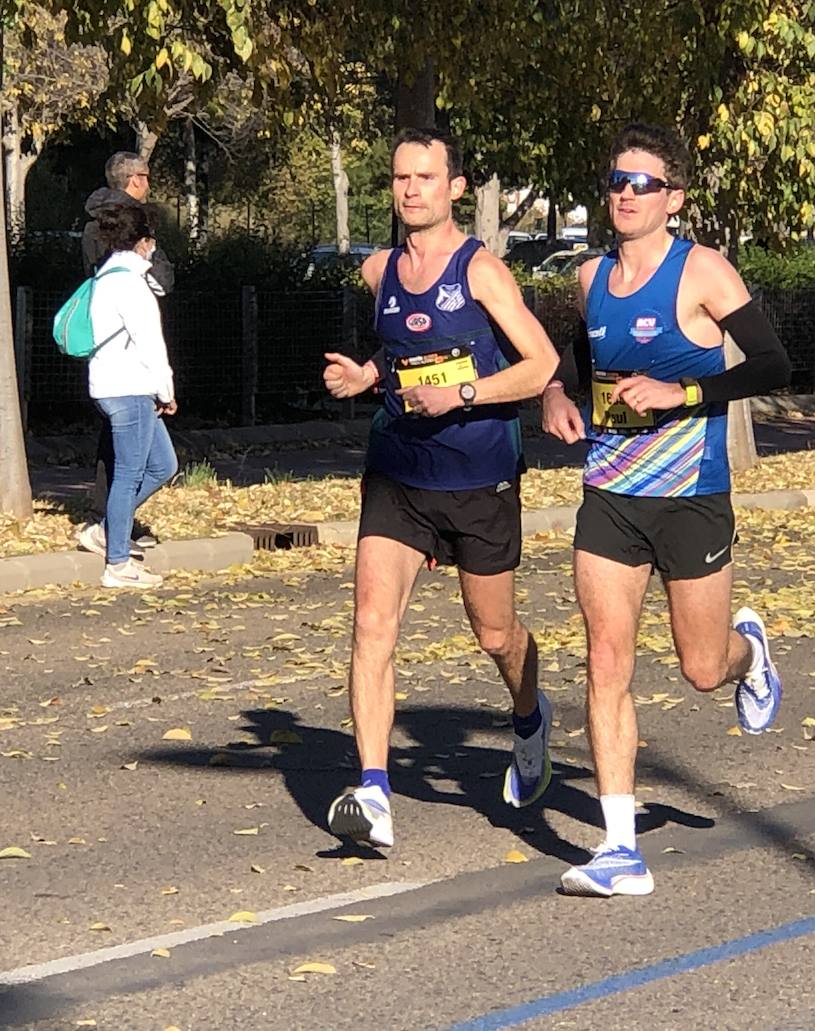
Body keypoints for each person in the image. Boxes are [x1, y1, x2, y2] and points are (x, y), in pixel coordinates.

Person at [540, 123, 792, 897]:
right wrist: (556, 394)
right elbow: (577, 360)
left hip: (691, 496)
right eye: (618, 180)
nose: (625, 193)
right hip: (611, 492)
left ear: (673, 200)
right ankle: (619, 848)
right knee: (606, 660)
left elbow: (777, 363)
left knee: (700, 667)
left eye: (643, 184)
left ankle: (750, 652)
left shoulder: (703, 272)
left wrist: (682, 393)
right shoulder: (589, 278)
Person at [319, 127, 560, 848]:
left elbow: (541, 362)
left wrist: (463, 394)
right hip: (399, 469)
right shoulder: (377, 271)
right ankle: (374, 790)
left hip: (478, 474)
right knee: (370, 624)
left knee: (494, 633)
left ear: (454, 187)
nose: (410, 190)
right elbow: (398, 355)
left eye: (425, 177)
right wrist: (369, 377)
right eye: (400, 178)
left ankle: (528, 714)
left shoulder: (481, 271)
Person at [79, 152, 174, 556]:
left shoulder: (96, 242)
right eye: (146, 177)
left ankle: (111, 527)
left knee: (158, 464)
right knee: (131, 469)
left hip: (114, 374)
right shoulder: (129, 277)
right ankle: (114, 550)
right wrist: (166, 390)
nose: (149, 184)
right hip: (130, 378)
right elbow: (149, 333)